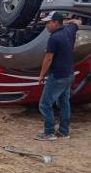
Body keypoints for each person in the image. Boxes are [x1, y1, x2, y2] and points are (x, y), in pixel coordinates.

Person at [35, 11, 82, 141]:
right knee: (64, 103)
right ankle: (64, 132)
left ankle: (49, 132)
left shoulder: (54, 38)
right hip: (69, 74)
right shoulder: (69, 31)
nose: (46, 26)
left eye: (48, 23)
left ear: (56, 23)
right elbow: (78, 22)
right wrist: (68, 22)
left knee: (44, 104)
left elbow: (48, 59)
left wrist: (41, 75)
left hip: (58, 76)